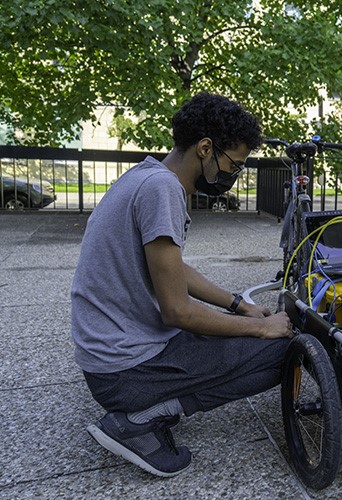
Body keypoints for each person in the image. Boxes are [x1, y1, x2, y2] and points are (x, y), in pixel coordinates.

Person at [71, 92, 292, 477]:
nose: (233, 176)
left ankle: (150, 406)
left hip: (110, 356)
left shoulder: (145, 176)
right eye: (233, 165)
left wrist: (238, 304)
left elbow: (174, 269)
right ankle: (139, 420)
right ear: (206, 148)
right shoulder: (163, 191)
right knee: (284, 352)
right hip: (125, 370)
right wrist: (260, 326)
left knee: (244, 335)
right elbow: (177, 311)